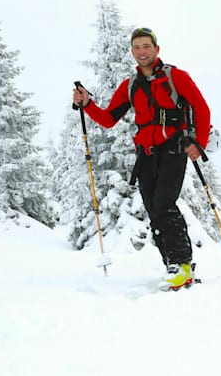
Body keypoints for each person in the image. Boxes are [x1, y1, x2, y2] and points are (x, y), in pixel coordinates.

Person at [72, 27, 210, 289]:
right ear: (132, 52)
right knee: (154, 210)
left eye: (146, 46)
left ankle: (181, 264)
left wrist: (198, 144)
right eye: (136, 47)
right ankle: (174, 265)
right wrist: (87, 103)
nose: (141, 52)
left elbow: (201, 108)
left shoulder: (176, 77)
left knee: (164, 203)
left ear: (156, 50)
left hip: (173, 149)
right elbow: (109, 119)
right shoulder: (130, 85)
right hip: (145, 155)